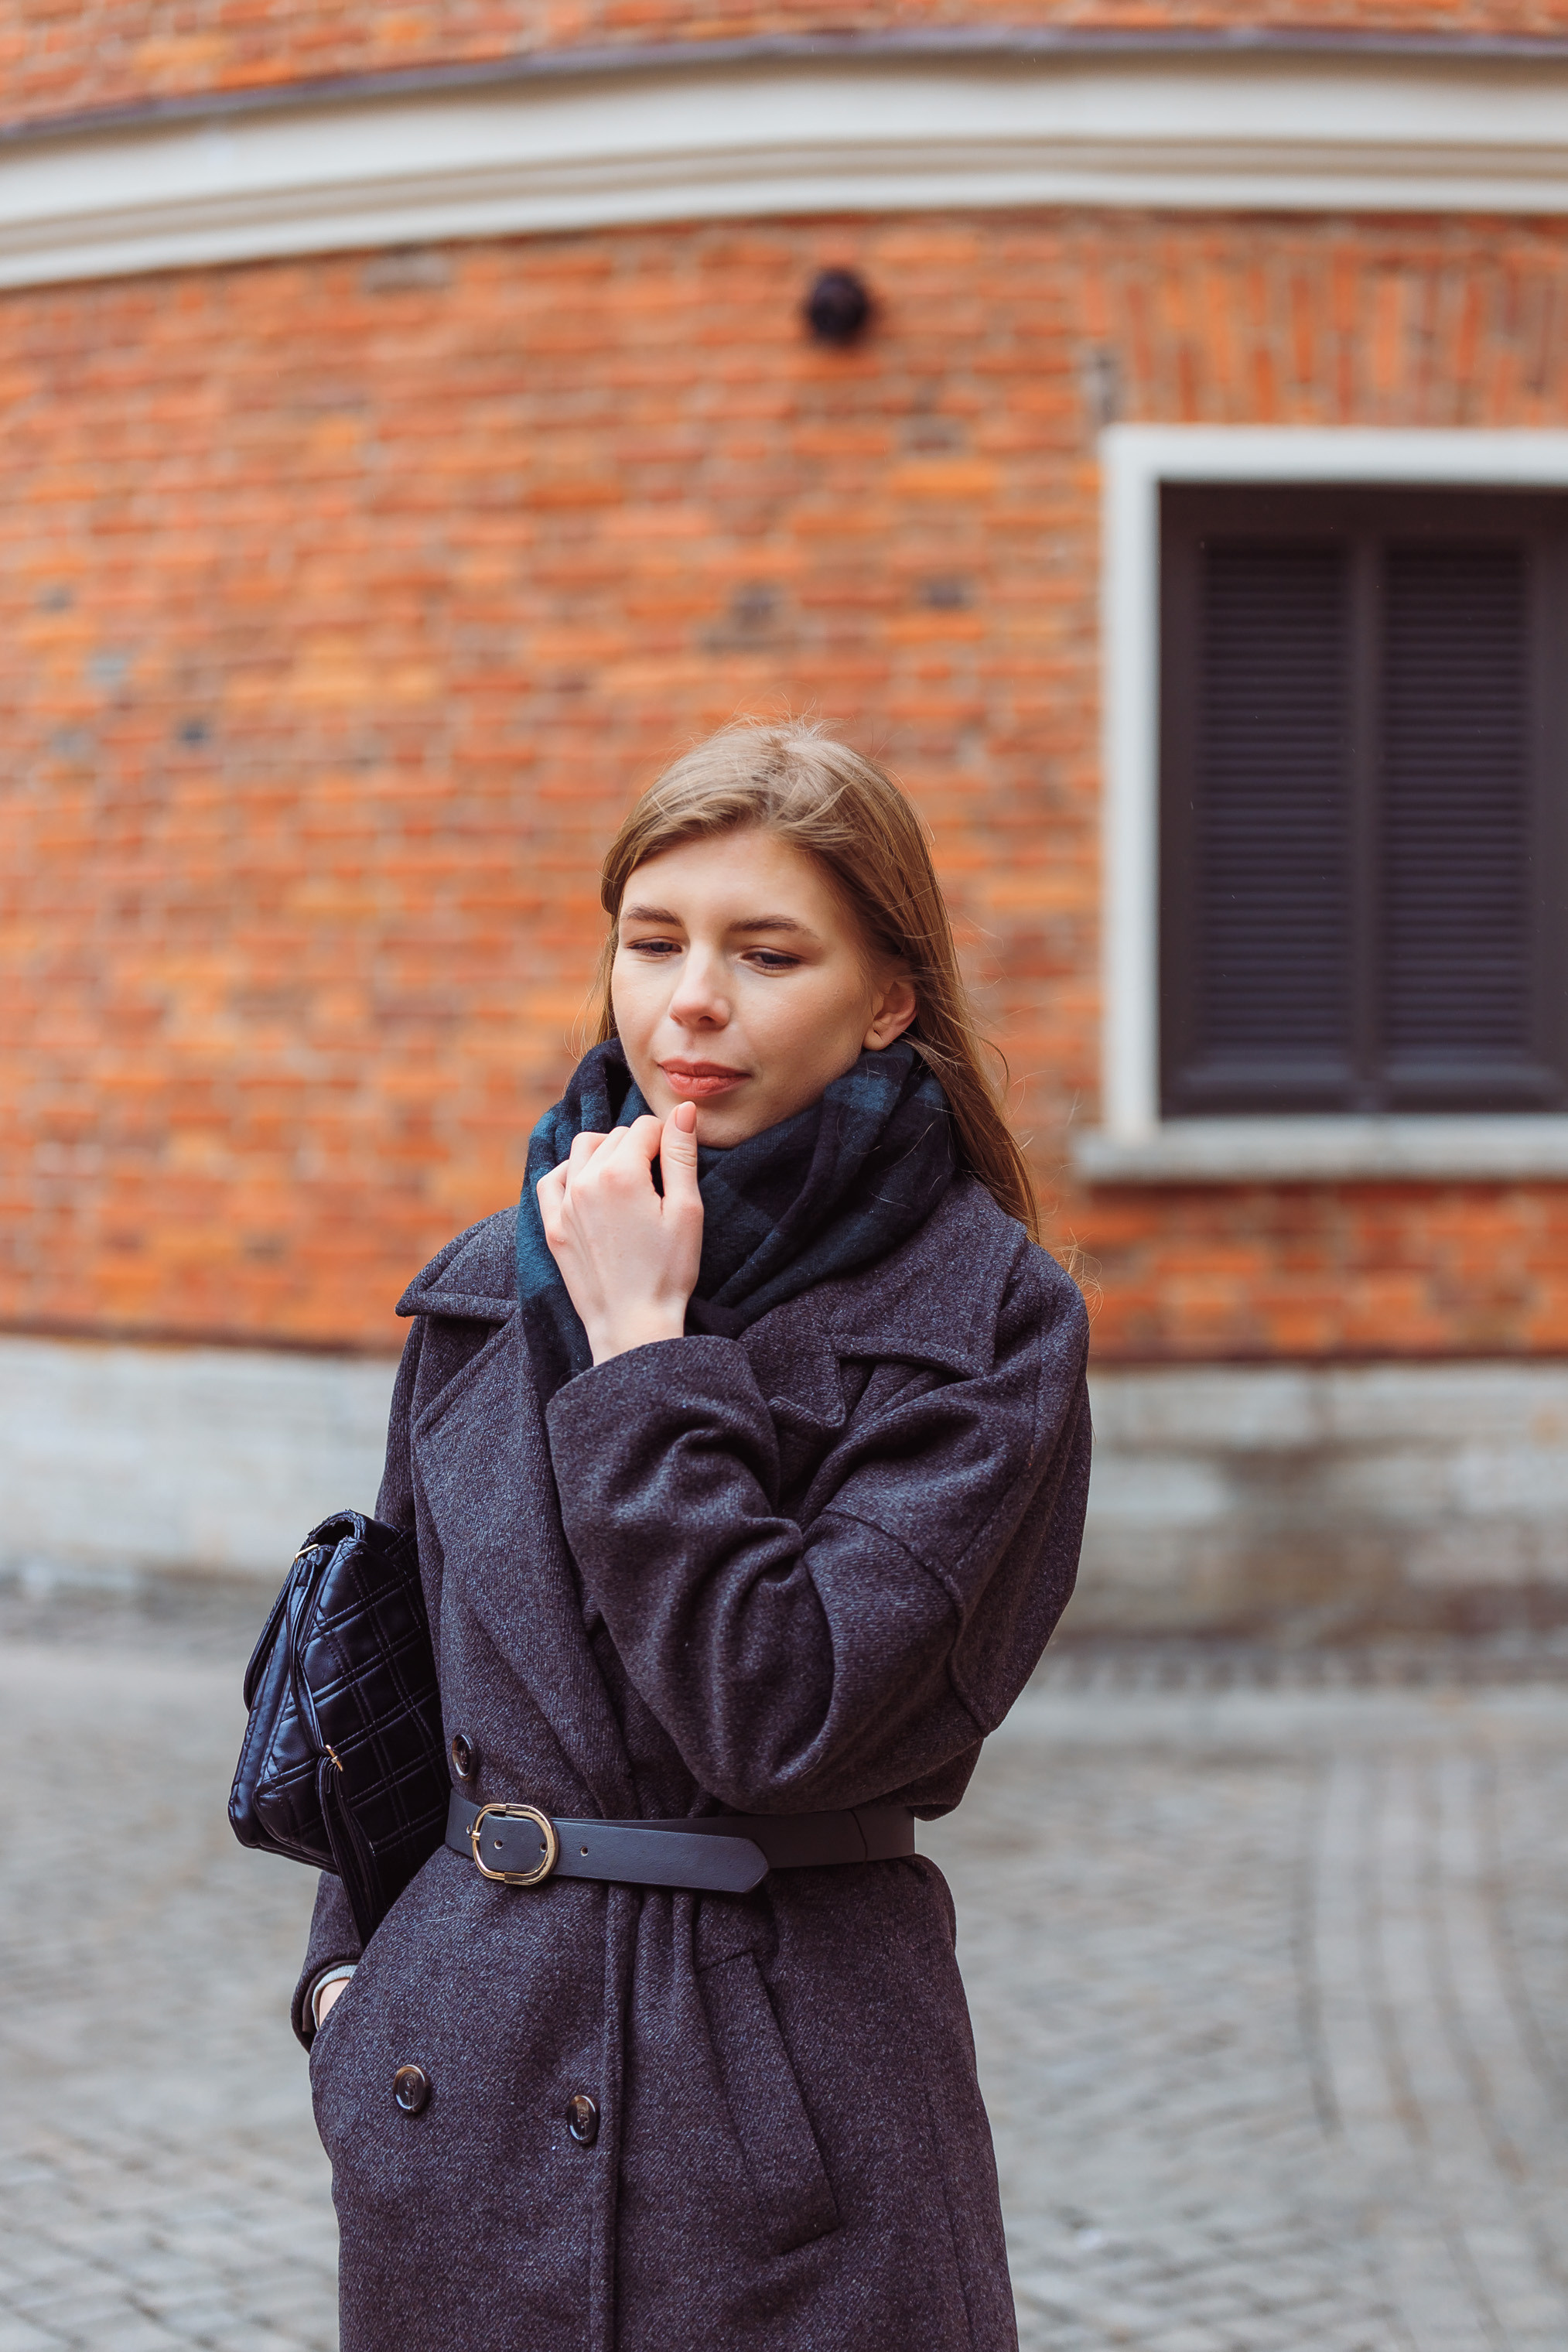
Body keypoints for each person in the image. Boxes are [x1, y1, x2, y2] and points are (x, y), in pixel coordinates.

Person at [294, 720, 1091, 2351]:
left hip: (795, 2136)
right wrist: (348, 1993)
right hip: (459, 2105)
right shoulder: (490, 1282)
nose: (692, 1001)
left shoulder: (985, 1322)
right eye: (652, 941)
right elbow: (392, 1685)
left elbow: (780, 1711)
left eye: (767, 953)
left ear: (890, 998)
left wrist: (643, 1357)